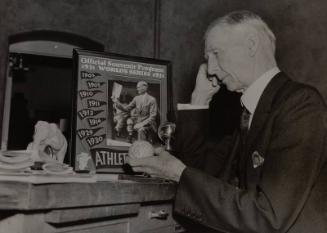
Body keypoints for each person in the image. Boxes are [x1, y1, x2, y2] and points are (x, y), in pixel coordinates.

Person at [126, 10, 327, 233]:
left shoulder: (299, 105)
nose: (210, 69)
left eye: (215, 53)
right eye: (207, 58)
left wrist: (177, 173)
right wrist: (199, 100)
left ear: (251, 45)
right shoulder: (250, 111)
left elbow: (268, 218)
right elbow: (203, 175)